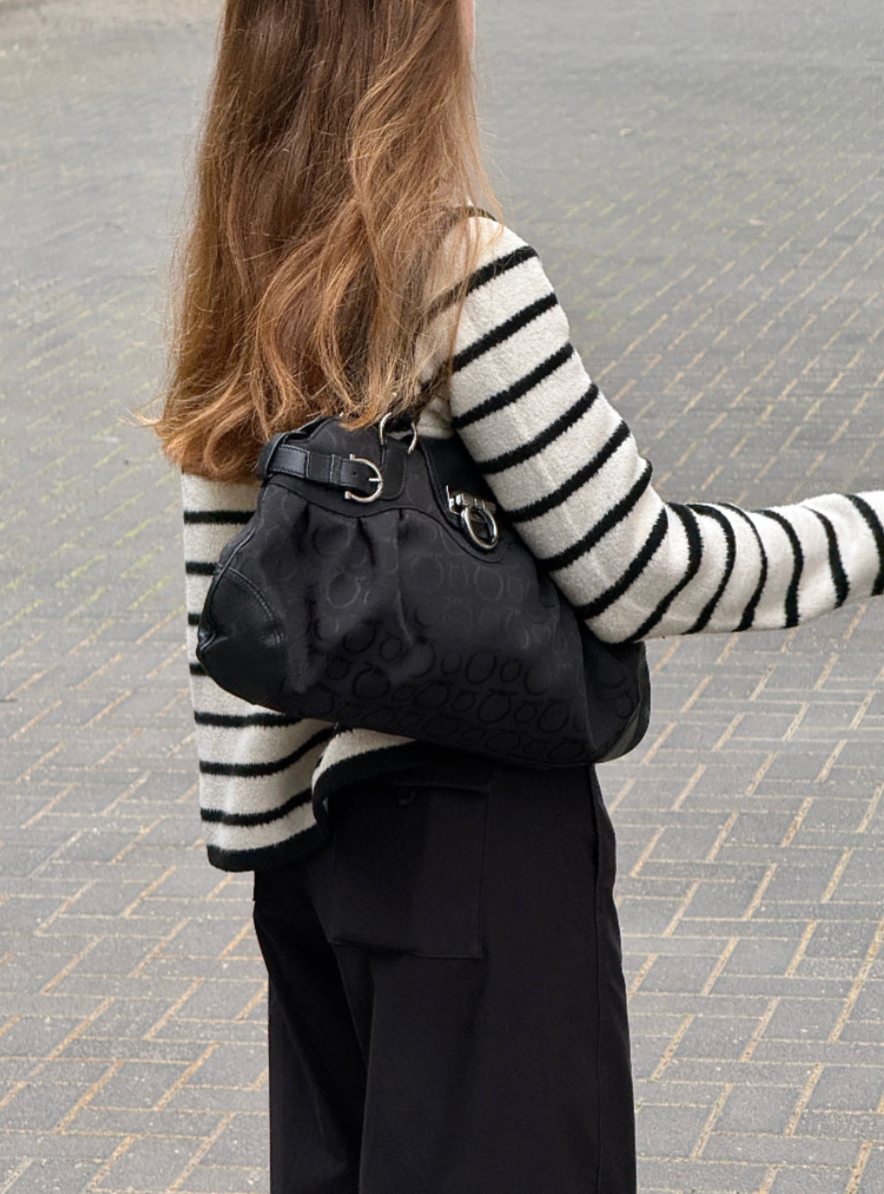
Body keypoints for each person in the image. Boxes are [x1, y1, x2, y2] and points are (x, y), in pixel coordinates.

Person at [154, 2, 884, 1191]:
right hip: (477, 857)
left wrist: (268, 836)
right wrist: (869, 532)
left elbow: (231, 611)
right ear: (411, 44)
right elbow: (641, 569)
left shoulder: (243, 278)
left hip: (311, 872)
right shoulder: (456, 273)